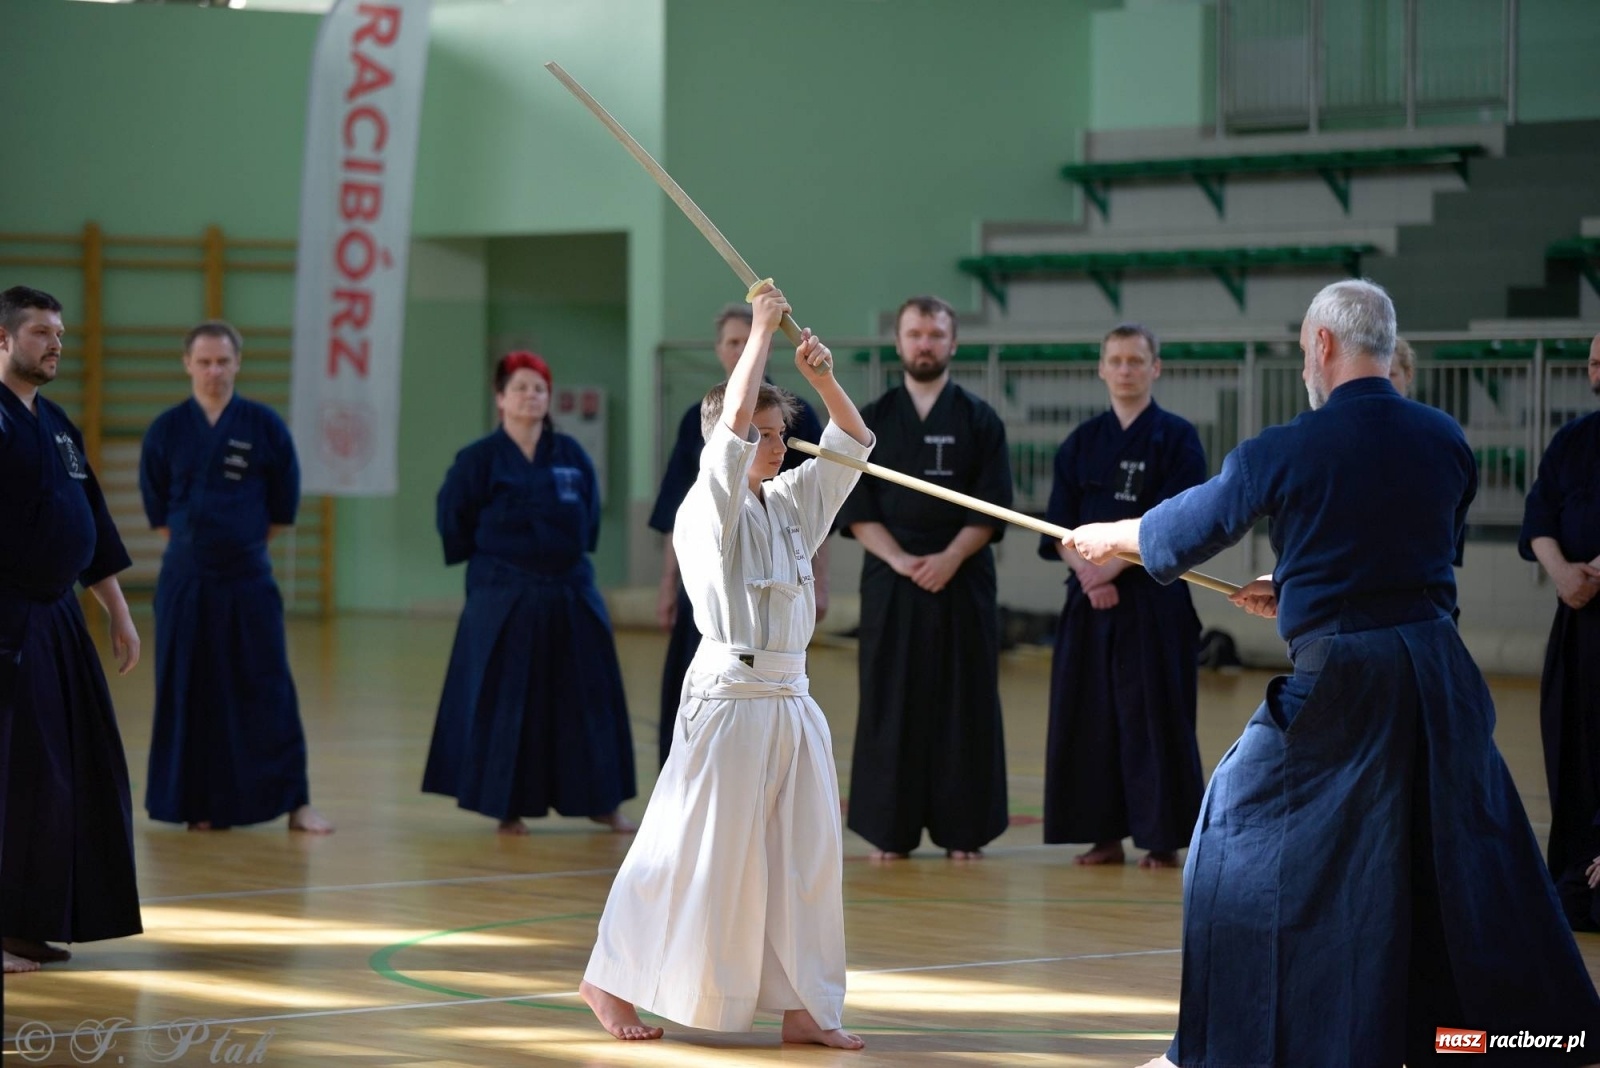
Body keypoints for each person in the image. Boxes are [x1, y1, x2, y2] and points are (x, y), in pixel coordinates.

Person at [1069, 280, 1600, 1068]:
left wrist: (1109, 533)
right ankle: (1518, 1035)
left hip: (1346, 680)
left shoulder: (1282, 448)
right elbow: (1409, 553)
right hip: (1440, 679)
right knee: (1466, 855)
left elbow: (1184, 531)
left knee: (1232, 838)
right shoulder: (1446, 438)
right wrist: (1301, 584)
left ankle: (1219, 1049)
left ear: (1321, 345)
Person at [581, 284, 871, 1048]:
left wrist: (822, 377)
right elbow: (733, 425)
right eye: (764, 435)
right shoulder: (709, 507)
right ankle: (608, 980)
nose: (776, 446)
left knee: (806, 861)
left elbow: (852, 440)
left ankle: (807, 1007)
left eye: (781, 435)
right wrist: (763, 333)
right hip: (730, 697)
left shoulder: (790, 504)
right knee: (690, 850)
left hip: (791, 700)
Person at [424, 351, 637, 835]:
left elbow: (589, 522)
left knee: (588, 697)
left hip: (568, 590)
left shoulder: (571, 456)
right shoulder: (477, 461)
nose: (530, 396)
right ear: (500, 398)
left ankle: (602, 802)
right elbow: (453, 523)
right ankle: (508, 805)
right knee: (507, 700)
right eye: (519, 387)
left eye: (538, 388)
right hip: (504, 594)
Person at [139, 321, 332, 834]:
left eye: (223, 362)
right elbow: (157, 510)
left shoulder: (265, 427)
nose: (213, 372)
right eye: (203, 362)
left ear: (238, 364)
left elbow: (282, 508)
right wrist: (200, 550)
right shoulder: (166, 430)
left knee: (266, 685)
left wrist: (238, 547)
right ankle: (197, 804)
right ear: (187, 364)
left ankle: (296, 802)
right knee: (188, 688)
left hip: (249, 579)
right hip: (186, 581)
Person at [838, 295, 1012, 860]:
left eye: (936, 334)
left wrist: (948, 559)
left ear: (952, 343)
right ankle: (890, 832)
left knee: (965, 700)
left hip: (961, 579)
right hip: (893, 581)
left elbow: (991, 509)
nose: (925, 344)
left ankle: (965, 833)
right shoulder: (872, 420)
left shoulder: (979, 419)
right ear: (899, 342)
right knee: (892, 700)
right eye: (915, 333)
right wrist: (900, 560)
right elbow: (857, 509)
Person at [0, 286, 142, 974]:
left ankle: (31, 921)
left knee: (69, 774)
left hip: (58, 621)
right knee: (17, 776)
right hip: (7, 619)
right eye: (39, 332)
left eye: (60, 332)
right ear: (3, 340)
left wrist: (117, 610)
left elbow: (93, 527)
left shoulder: (57, 424)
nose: (56, 343)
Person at [1036, 323, 1206, 870]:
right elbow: (1059, 525)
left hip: (1154, 600)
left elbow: (1182, 521)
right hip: (1088, 602)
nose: (1127, 370)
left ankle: (1161, 838)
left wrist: (1115, 569)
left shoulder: (1178, 440)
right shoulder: (1082, 442)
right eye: (1117, 360)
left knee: (1155, 715)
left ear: (1155, 368)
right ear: (1102, 369)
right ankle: (1100, 834)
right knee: (1090, 715)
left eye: (1137, 360)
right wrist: (1091, 576)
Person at [649, 304, 825, 767]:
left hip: (777, 633)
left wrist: (816, 582)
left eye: (777, 435)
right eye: (734, 341)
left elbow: (812, 521)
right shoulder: (704, 422)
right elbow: (689, 496)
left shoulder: (796, 419)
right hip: (718, 581)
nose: (774, 446)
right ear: (719, 350)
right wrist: (669, 584)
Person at [1519, 333, 1600, 931]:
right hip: (1576, 621)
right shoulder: (1573, 440)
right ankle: (1574, 874)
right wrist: (1562, 571)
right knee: (1570, 746)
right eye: (1593, 360)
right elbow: (1540, 515)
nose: (1595, 369)